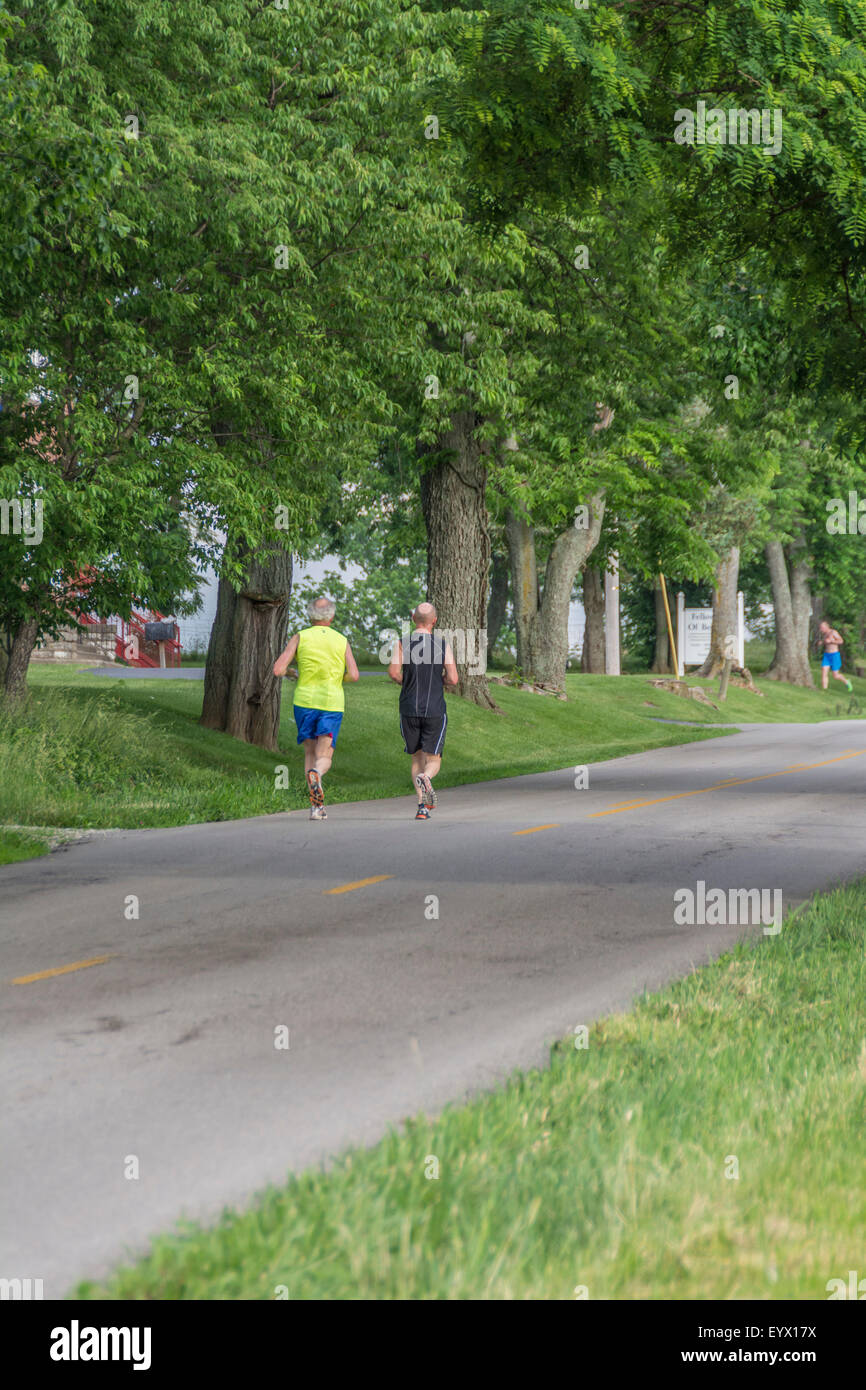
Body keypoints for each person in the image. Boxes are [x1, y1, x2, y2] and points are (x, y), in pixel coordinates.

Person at [273, 597, 359, 820]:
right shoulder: (341, 640)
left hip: (304, 702)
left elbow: (278, 669)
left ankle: (316, 807)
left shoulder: (300, 637)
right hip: (331, 703)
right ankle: (318, 774)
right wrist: (339, 677)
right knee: (324, 755)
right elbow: (354, 675)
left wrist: (293, 673)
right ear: (331, 616)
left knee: (309, 752)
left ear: (310, 616)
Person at [388, 602, 459, 820]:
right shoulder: (442, 645)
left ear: (413, 618)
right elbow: (454, 679)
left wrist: (405, 680)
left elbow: (393, 672)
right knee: (433, 759)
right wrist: (443, 680)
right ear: (434, 621)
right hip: (435, 708)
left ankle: (421, 806)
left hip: (408, 707)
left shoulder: (402, 643)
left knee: (416, 758)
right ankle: (427, 778)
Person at [815, 619, 853, 693]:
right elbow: (826, 642)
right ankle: (824, 690)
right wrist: (821, 642)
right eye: (820, 628)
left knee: (835, 675)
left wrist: (832, 641)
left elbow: (841, 641)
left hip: (834, 655)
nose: (820, 629)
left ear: (826, 627)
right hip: (826, 655)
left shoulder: (833, 632)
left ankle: (847, 681)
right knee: (824, 672)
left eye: (822, 628)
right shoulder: (825, 634)